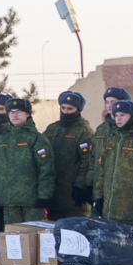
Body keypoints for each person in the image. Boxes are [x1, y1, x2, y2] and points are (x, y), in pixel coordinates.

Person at [90, 100, 133, 228]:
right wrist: (99, 197)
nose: (118, 119)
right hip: (109, 213)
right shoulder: (111, 142)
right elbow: (101, 172)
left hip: (132, 214)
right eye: (116, 115)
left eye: (122, 115)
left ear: (132, 116)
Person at [0, 99, 56, 225]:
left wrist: (44, 195)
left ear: (27, 114)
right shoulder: (2, 140)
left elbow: (46, 169)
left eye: (19, 112)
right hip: (8, 201)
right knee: (12, 240)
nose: (14, 115)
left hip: (32, 202)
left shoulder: (37, 138)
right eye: (11, 112)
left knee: (33, 239)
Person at [44, 91, 97, 220]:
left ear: (78, 110)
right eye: (63, 108)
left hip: (74, 197)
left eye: (70, 109)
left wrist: (80, 186)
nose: (66, 112)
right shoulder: (51, 129)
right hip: (53, 194)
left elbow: (88, 162)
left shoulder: (84, 131)